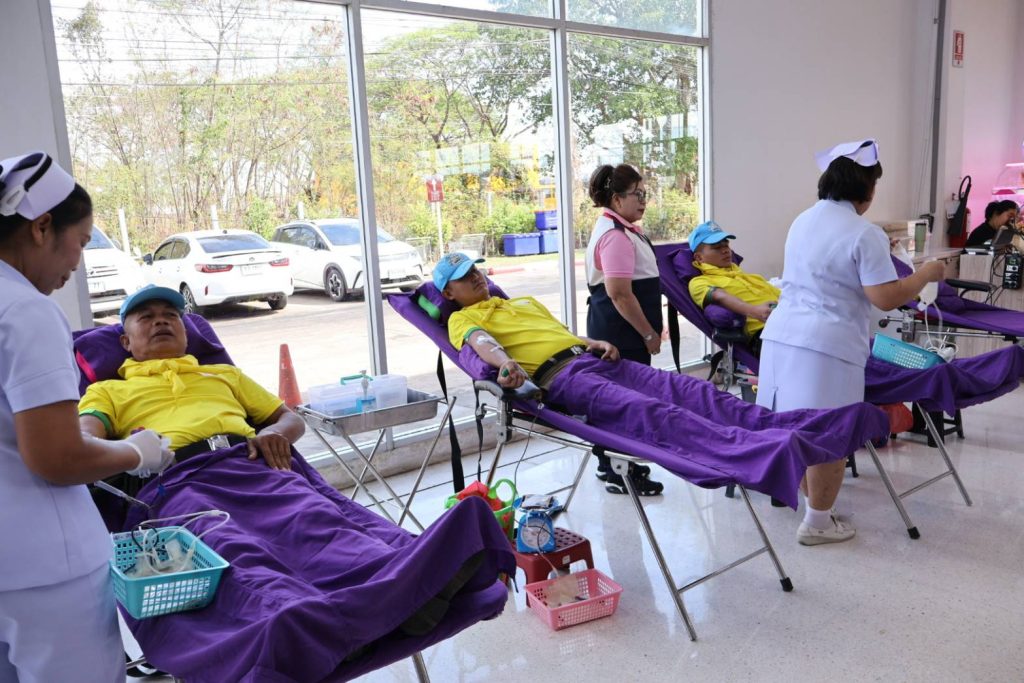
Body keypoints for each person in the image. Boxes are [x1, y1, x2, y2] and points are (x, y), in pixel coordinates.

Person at [431, 252, 886, 508]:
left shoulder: (523, 303)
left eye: (476, 270)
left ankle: (799, 428)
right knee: (656, 413)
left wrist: (593, 341)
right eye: (464, 279)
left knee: (696, 391)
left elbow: (560, 335)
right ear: (449, 293)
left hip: (595, 360)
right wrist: (505, 365)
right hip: (564, 380)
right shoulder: (461, 318)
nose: (476, 278)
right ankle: (768, 452)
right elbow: (482, 344)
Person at [0, 151, 173, 682]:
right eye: (80, 240)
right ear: (41, 226)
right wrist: (135, 452)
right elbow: (58, 455)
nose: (78, 261)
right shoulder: (25, 311)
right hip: (43, 569)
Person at [756, 138, 945, 546]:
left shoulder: (803, 220)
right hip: (826, 348)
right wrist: (926, 274)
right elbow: (886, 297)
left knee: (798, 430)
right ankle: (818, 523)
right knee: (830, 435)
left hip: (782, 339)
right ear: (867, 189)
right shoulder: (864, 233)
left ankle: (815, 510)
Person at [79, 284, 306, 474]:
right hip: (177, 479)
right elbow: (84, 440)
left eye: (171, 315)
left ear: (186, 334)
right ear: (126, 342)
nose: (161, 322)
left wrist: (274, 433)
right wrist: (131, 453)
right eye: (146, 317)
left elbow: (291, 418)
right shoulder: (105, 391)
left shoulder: (225, 374)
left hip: (254, 465)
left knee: (312, 513)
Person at [584, 164, 664, 494]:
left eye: (644, 194)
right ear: (617, 199)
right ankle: (618, 470)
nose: (643, 200)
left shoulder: (621, 229)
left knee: (621, 399)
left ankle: (615, 464)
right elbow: (619, 294)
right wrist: (648, 333)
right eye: (637, 194)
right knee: (621, 402)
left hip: (621, 330)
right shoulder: (614, 236)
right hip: (620, 334)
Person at [687, 221, 779, 354]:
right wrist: (754, 311)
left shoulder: (748, 277)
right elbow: (720, 296)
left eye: (726, 245)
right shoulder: (699, 282)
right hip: (766, 334)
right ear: (699, 257)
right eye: (716, 247)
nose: (725, 250)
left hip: (789, 320)